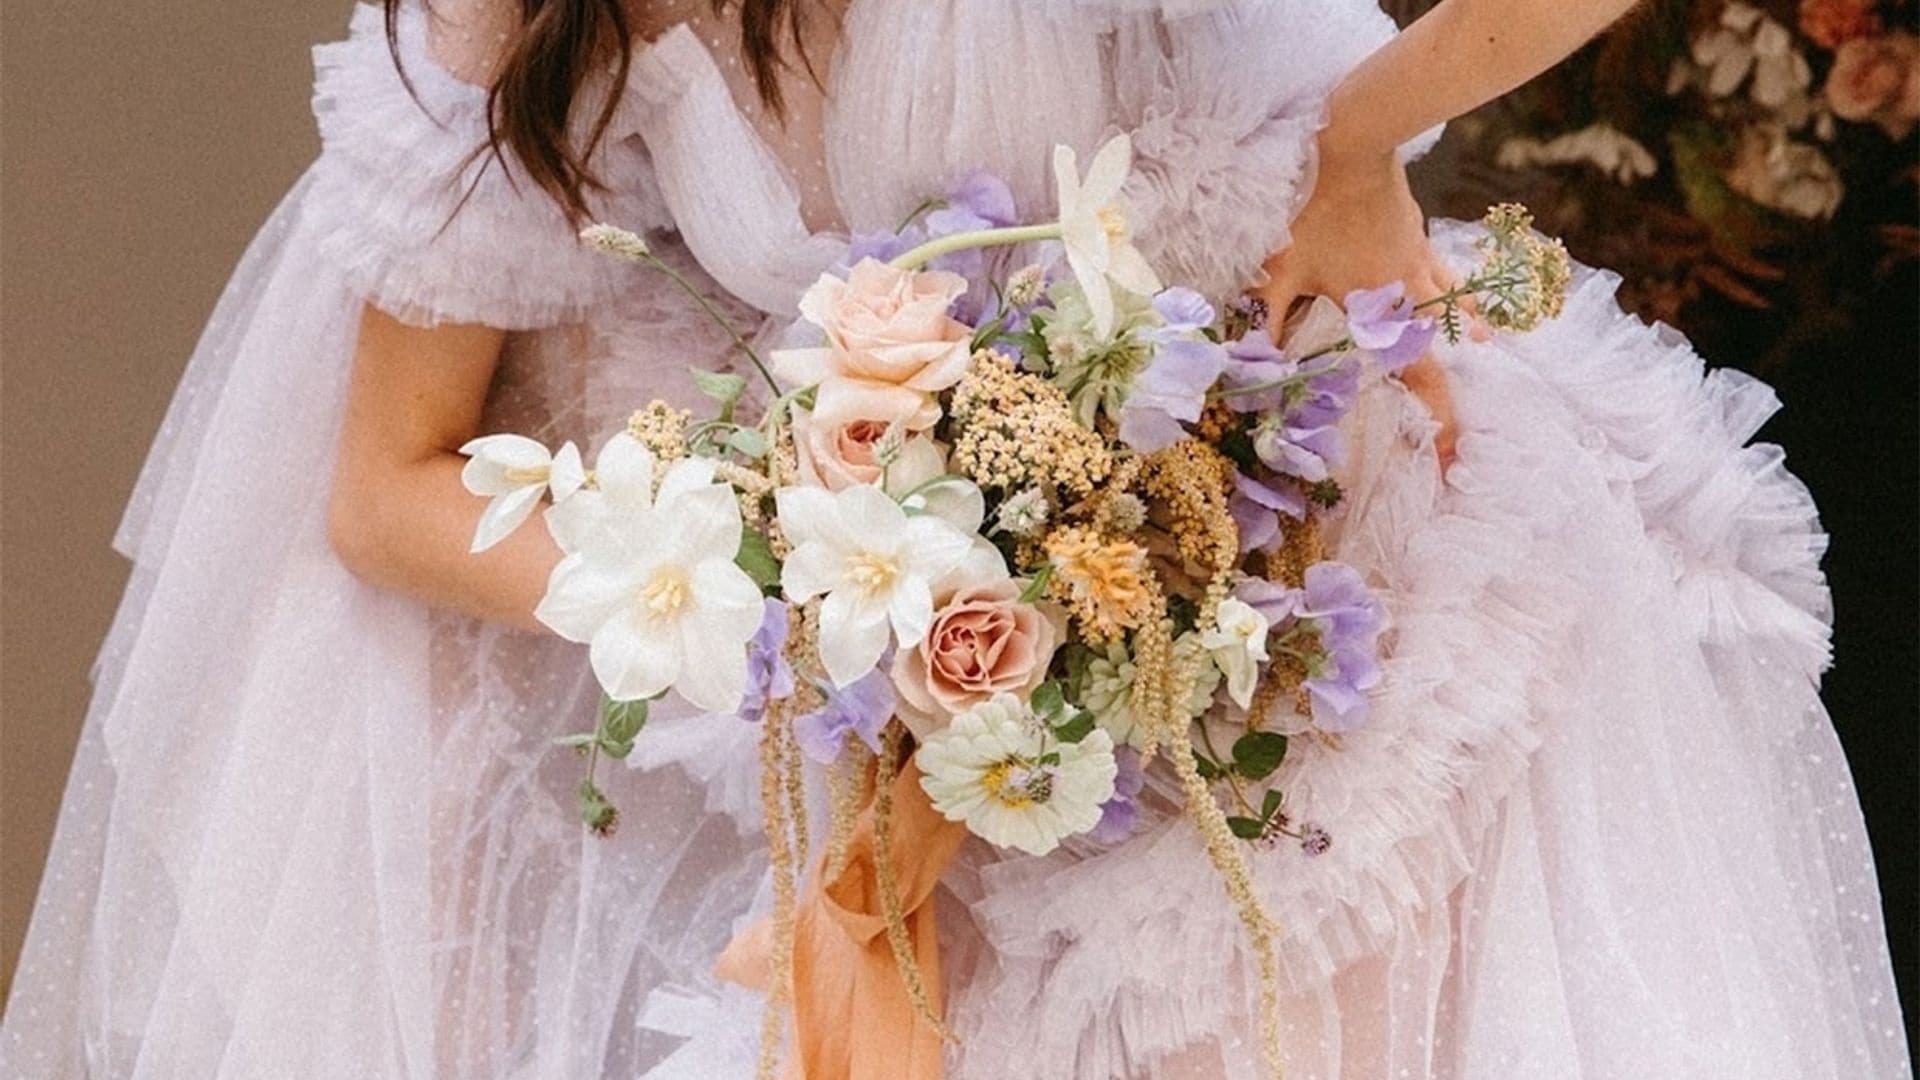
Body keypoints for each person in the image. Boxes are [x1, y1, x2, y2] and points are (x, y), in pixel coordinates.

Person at [3, 0, 1908, 1077]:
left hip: (1300, 535)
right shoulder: (518, 26)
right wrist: (794, 589)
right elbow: (384, 488)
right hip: (883, 623)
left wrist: (1366, 140)